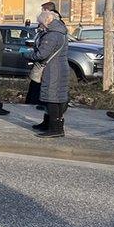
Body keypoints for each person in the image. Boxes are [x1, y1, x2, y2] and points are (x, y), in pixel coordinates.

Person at [27, 10, 70, 138]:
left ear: (46, 21)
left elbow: (42, 54)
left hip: (53, 70)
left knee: (52, 98)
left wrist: (28, 55)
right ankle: (48, 124)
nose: (40, 25)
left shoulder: (51, 35)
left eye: (40, 23)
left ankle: (55, 129)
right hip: (59, 68)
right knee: (54, 97)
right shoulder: (61, 32)